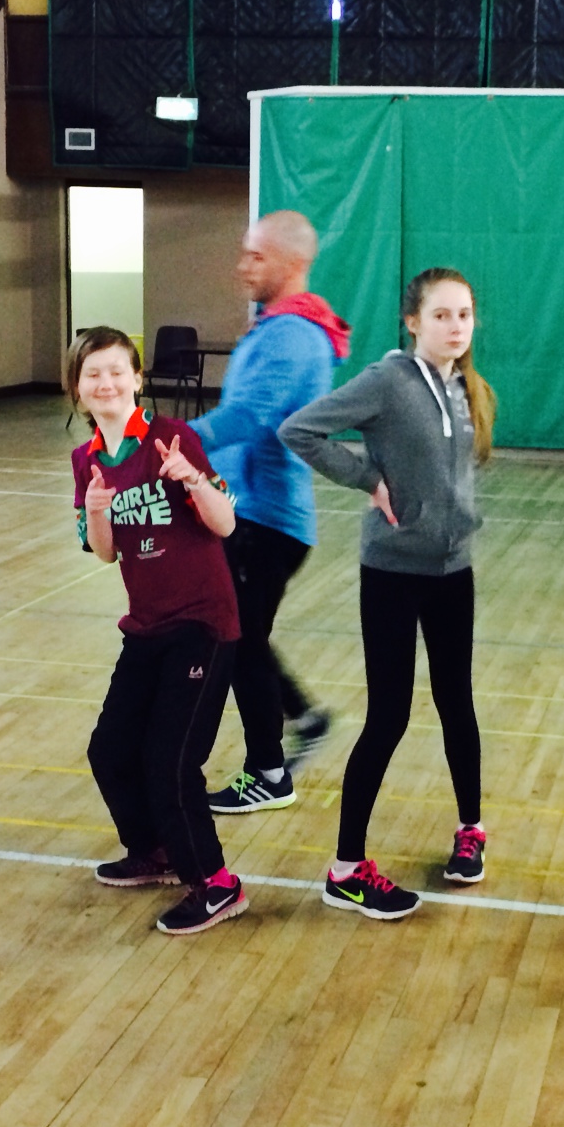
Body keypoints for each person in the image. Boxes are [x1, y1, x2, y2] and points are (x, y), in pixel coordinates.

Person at [279, 268, 499, 916]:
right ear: (413, 321)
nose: (455, 327)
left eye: (464, 315)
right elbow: (300, 430)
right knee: (389, 717)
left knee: (457, 702)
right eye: (441, 315)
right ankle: (346, 868)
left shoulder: (464, 386)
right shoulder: (387, 381)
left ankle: (471, 830)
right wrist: (368, 480)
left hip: (453, 571)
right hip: (393, 574)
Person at [70, 327, 253, 935]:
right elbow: (104, 553)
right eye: (93, 373)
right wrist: (96, 512)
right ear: (77, 387)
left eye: (117, 370)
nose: (106, 383)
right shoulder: (86, 460)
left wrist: (192, 480)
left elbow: (225, 525)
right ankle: (157, 852)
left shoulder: (174, 437)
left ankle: (217, 883)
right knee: (109, 750)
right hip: (146, 626)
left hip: (202, 622)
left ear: (137, 378)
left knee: (171, 761)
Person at [192, 210, 351, 811]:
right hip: (252, 514)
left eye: (256, 256)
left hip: (266, 521)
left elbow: (248, 418)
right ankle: (305, 720)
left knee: (238, 642)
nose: (243, 266)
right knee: (240, 637)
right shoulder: (281, 328)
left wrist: (165, 441)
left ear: (293, 262)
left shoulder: (292, 336)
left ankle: (268, 773)